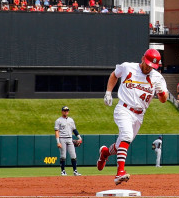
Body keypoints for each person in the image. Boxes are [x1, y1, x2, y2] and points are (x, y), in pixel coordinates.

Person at [97, 48, 169, 186]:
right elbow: (114, 75)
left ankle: (105, 153)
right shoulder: (127, 67)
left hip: (139, 115)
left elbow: (163, 99)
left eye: (152, 66)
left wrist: (162, 93)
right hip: (124, 108)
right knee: (127, 136)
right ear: (143, 58)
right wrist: (108, 92)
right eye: (148, 64)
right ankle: (120, 173)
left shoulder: (157, 77)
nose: (149, 67)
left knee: (121, 145)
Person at [54, 106, 82, 176]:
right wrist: (58, 142)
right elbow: (57, 131)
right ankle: (63, 171)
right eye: (64, 110)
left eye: (67, 110)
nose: (66, 112)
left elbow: (74, 130)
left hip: (70, 138)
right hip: (62, 138)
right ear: (62, 111)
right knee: (63, 156)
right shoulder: (58, 120)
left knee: (73, 155)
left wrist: (79, 137)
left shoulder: (71, 120)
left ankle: (75, 171)